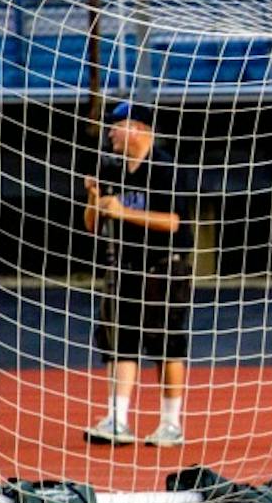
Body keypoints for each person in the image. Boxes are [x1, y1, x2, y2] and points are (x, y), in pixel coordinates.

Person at [83, 101, 194, 448]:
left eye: (117, 126)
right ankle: (117, 419)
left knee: (166, 343)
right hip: (125, 265)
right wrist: (93, 198)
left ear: (138, 129)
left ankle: (171, 423)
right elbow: (92, 225)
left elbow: (173, 222)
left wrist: (123, 212)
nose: (110, 133)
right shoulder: (112, 168)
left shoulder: (164, 168)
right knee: (120, 343)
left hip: (164, 265)